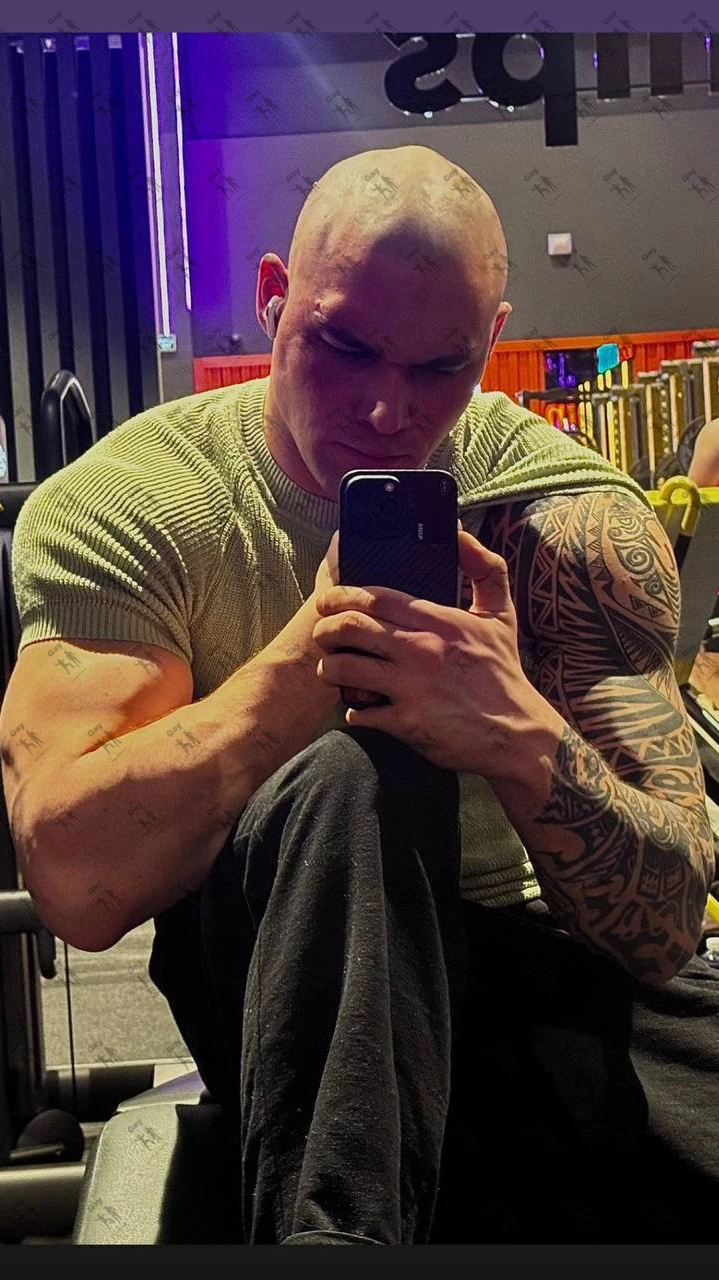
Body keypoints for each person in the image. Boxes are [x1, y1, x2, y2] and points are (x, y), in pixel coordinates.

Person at [3, 145, 718, 1245]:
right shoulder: (131, 505)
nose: (387, 410)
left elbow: (663, 928)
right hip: (285, 968)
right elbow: (77, 882)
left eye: (440, 368)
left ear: (490, 337)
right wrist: (313, 664)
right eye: (343, 347)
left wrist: (517, 738)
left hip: (527, 965)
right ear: (272, 297)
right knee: (357, 772)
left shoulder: (564, 516)